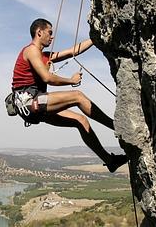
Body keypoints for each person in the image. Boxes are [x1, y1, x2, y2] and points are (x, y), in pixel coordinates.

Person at [11, 18, 127, 173]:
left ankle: (110, 161)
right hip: (29, 102)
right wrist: (71, 81)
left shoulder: (44, 55)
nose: (52, 37)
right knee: (77, 96)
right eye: (50, 33)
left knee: (80, 120)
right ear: (39, 32)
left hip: (33, 104)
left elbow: (73, 51)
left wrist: (95, 39)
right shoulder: (31, 50)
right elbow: (47, 78)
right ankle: (116, 127)